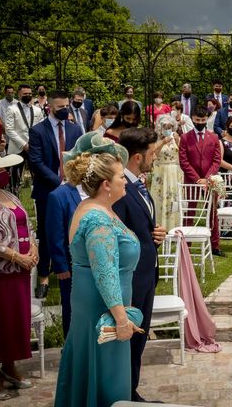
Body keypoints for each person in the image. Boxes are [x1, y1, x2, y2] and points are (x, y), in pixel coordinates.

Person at [54, 139, 142, 407]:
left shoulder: (98, 209)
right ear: (106, 184)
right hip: (103, 312)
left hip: (93, 306)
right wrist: (121, 320)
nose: (125, 181)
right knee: (107, 379)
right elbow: (105, 273)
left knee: (91, 372)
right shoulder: (97, 219)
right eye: (119, 177)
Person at [113, 128, 167, 403]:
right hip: (131, 278)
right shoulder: (120, 189)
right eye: (152, 153)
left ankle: (130, 390)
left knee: (139, 340)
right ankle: (124, 393)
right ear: (136, 157)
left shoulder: (138, 184)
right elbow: (118, 236)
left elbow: (138, 227)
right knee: (130, 340)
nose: (155, 157)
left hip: (147, 272)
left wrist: (154, 236)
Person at [0, 150, 37, 401]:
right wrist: (16, 257)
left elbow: (27, 224)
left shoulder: (8, 194)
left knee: (16, 321)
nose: (4, 173)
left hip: (22, 271)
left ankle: (9, 366)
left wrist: (34, 247)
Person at [28, 89, 82, 298]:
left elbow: (80, 156)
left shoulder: (75, 129)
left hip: (72, 191)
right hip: (48, 191)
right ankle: (43, 275)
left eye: (66, 106)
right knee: (47, 233)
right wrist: (58, 182)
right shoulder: (38, 131)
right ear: (49, 107)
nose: (65, 110)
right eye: (60, 107)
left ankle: (70, 268)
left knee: (72, 230)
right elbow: (36, 162)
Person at [178, 106, 225, 257]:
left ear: (206, 120)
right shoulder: (185, 138)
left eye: (203, 120)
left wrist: (207, 178)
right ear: (192, 119)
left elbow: (217, 160)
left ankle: (215, 245)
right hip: (192, 182)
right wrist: (198, 179)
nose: (200, 122)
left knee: (212, 213)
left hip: (210, 182)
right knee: (189, 212)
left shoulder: (214, 137)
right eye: (197, 120)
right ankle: (187, 246)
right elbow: (183, 162)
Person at [47, 175, 86, 338]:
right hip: (71, 266)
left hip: (95, 266)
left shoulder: (99, 191)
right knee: (73, 310)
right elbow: (55, 234)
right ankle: (72, 350)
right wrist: (60, 265)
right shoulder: (59, 195)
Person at [5, 84, 43, 195]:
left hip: (34, 148)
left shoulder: (37, 110)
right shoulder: (11, 109)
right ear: (19, 94)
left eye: (30, 94)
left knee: (38, 178)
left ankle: (38, 205)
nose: (28, 95)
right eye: (25, 94)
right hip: (17, 148)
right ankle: (14, 206)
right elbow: (9, 130)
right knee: (14, 180)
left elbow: (41, 129)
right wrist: (23, 144)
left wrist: (34, 144)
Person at [150, 114, 183, 231]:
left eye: (169, 127)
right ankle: (160, 225)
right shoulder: (156, 140)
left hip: (175, 171)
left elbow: (182, 153)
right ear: (160, 128)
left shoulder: (176, 138)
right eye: (165, 127)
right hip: (161, 172)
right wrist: (163, 142)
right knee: (161, 197)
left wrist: (178, 140)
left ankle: (175, 225)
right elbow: (154, 154)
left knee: (174, 197)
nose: (167, 129)